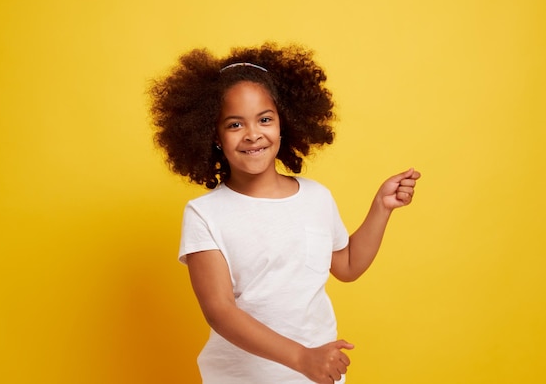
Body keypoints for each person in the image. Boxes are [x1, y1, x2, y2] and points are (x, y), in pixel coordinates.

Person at [149, 42, 420, 384]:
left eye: (264, 119)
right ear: (214, 135)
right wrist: (300, 357)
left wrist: (381, 207)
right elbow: (219, 311)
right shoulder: (205, 214)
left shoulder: (316, 197)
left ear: (283, 123)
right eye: (235, 124)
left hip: (317, 375)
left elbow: (348, 265)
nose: (252, 134)